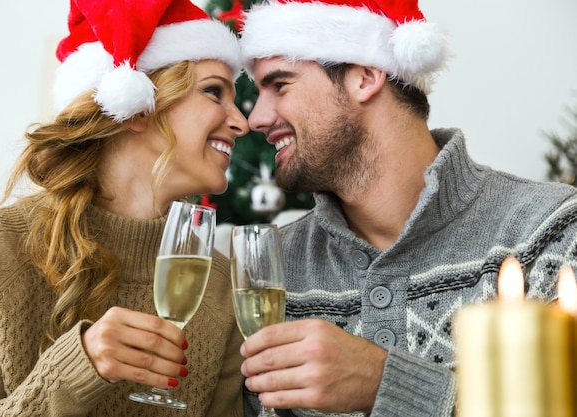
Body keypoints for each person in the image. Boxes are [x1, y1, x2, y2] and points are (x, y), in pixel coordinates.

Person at [236, 0, 577, 416]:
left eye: (280, 85)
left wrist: (387, 384)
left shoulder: (552, 231)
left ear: (365, 76)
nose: (256, 117)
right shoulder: (275, 269)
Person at [0, 0, 249, 415]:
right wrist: (76, 369)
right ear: (137, 105)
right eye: (214, 91)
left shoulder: (219, 285)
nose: (242, 122)